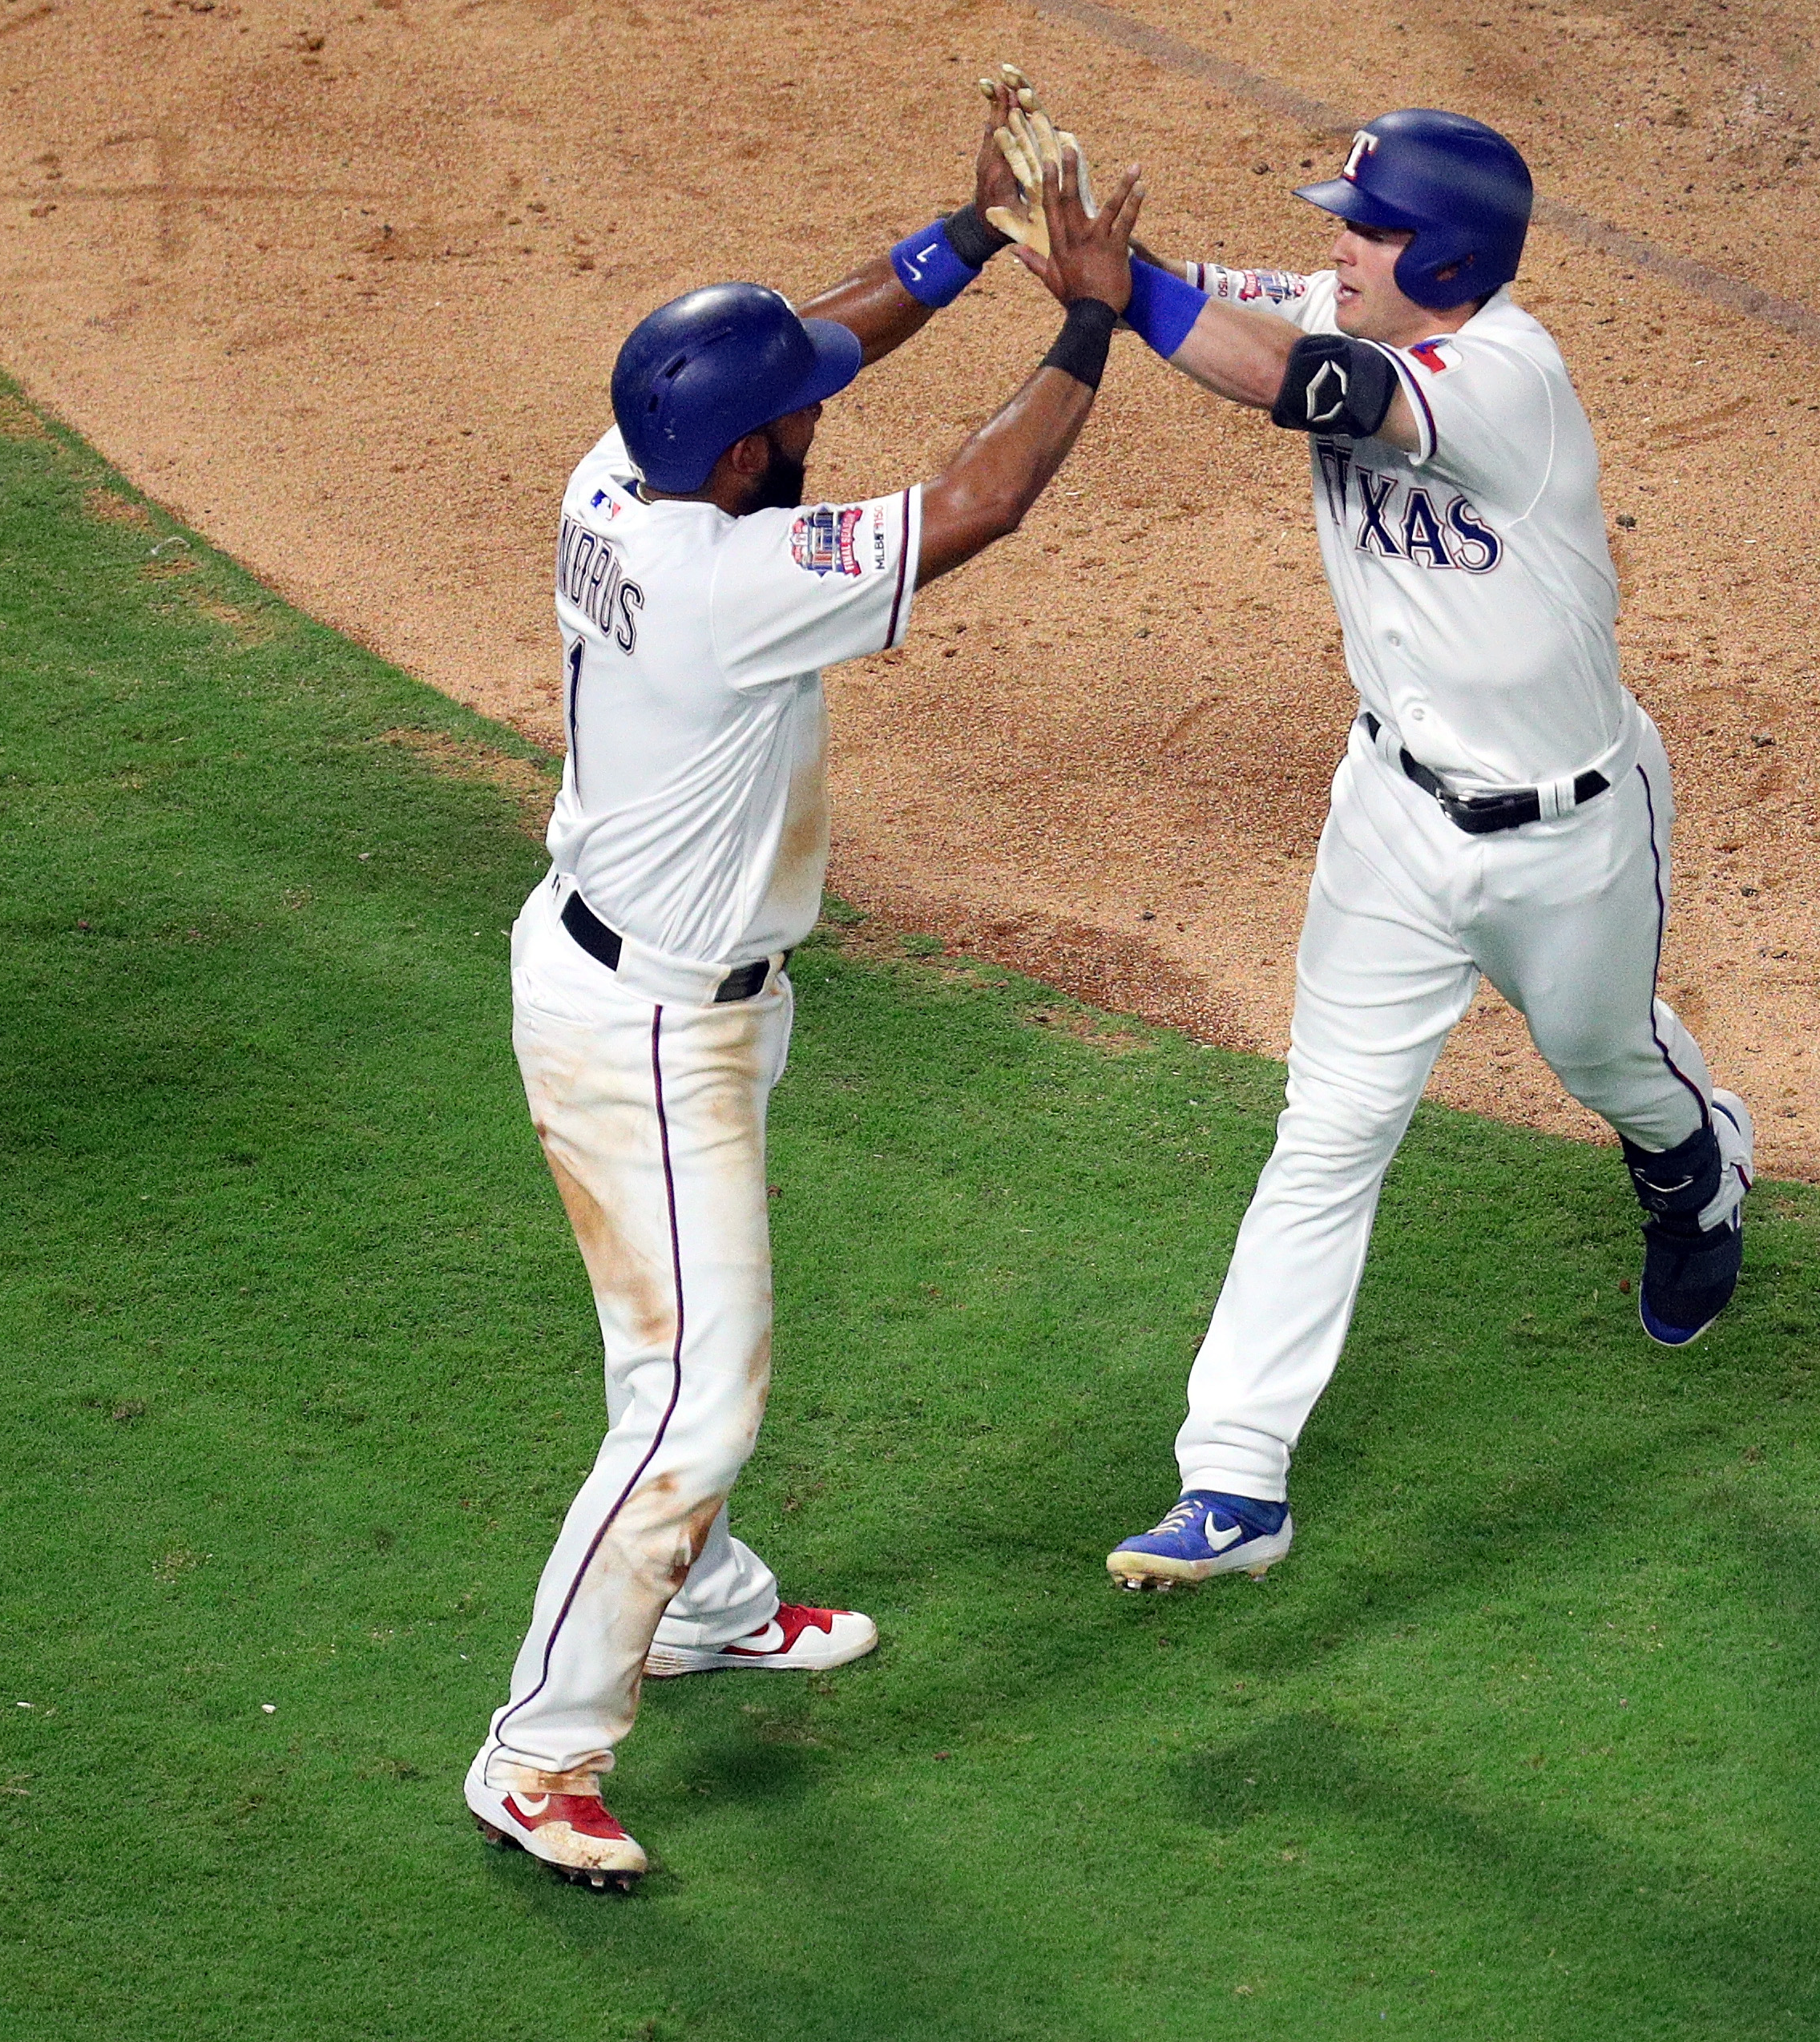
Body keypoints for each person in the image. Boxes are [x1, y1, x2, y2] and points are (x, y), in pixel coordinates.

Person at [466, 100, 1144, 1889]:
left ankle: (704, 1602)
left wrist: (971, 237)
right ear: (744, 455)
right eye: (797, 424)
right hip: (653, 1029)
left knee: (662, 1358)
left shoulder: (618, 473)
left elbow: (821, 334)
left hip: (644, 972)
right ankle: (538, 1751)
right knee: (695, 1403)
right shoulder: (733, 587)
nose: (820, 415)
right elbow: (982, 501)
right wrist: (1085, 311)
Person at [1096, 109, 1753, 1591]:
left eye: (1368, 225)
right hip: (1390, 815)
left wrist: (1120, 290)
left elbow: (1287, 378)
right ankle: (1233, 1479)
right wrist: (1085, 255)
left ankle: (1693, 1165)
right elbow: (1249, 305)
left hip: (1572, 834)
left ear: (1444, 257)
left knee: (1606, 1063)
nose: (1339, 243)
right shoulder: (1349, 302)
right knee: (1327, 1130)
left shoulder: (1504, 380)